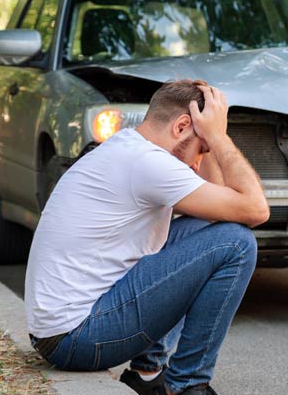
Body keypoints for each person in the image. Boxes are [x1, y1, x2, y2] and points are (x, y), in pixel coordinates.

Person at [24, 79, 270, 395]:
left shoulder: (130, 149)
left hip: (62, 331)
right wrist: (218, 137)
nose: (198, 162)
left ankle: (147, 373)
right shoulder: (149, 164)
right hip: (75, 338)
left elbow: (219, 210)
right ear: (183, 126)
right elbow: (255, 209)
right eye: (201, 149)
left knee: (204, 232)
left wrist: (207, 140)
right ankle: (187, 385)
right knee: (236, 244)